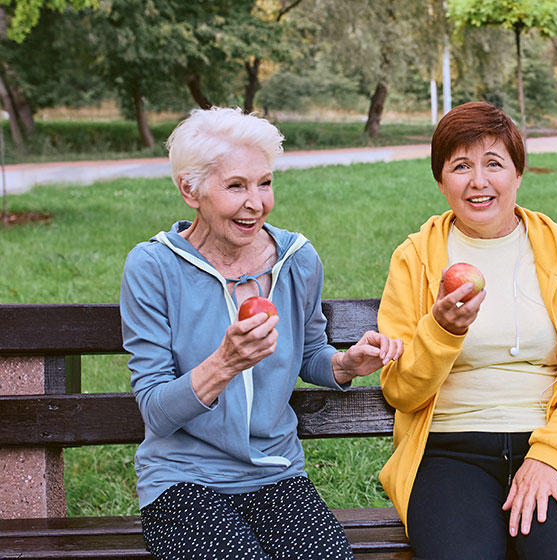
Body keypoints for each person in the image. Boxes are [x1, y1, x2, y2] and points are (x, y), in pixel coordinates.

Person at [120, 106, 403, 560]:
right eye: (236, 186)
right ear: (189, 189)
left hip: (276, 473)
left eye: (264, 183)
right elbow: (155, 411)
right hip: (183, 478)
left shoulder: (297, 260)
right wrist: (224, 363)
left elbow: (309, 350)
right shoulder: (153, 267)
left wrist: (344, 364)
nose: (257, 202)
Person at [376, 101, 557, 560]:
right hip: (449, 450)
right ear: (440, 180)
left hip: (554, 445)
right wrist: (441, 332)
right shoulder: (415, 257)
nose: (478, 181)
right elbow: (401, 391)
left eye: (494, 163)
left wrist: (549, 457)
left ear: (518, 174)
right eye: (461, 166)